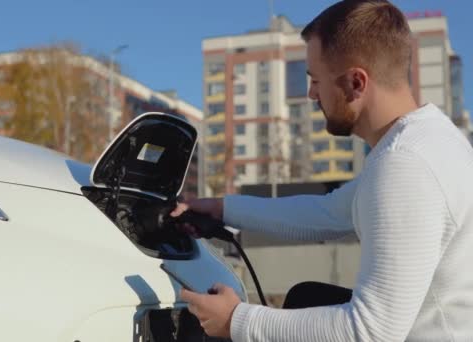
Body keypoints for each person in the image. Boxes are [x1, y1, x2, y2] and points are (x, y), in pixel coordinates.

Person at [170, 0, 473, 341]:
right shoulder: (430, 138)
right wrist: (223, 208)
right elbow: (325, 213)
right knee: (306, 297)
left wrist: (237, 321)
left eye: (315, 79)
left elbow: (370, 331)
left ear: (357, 83)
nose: (311, 93)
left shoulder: (406, 165)